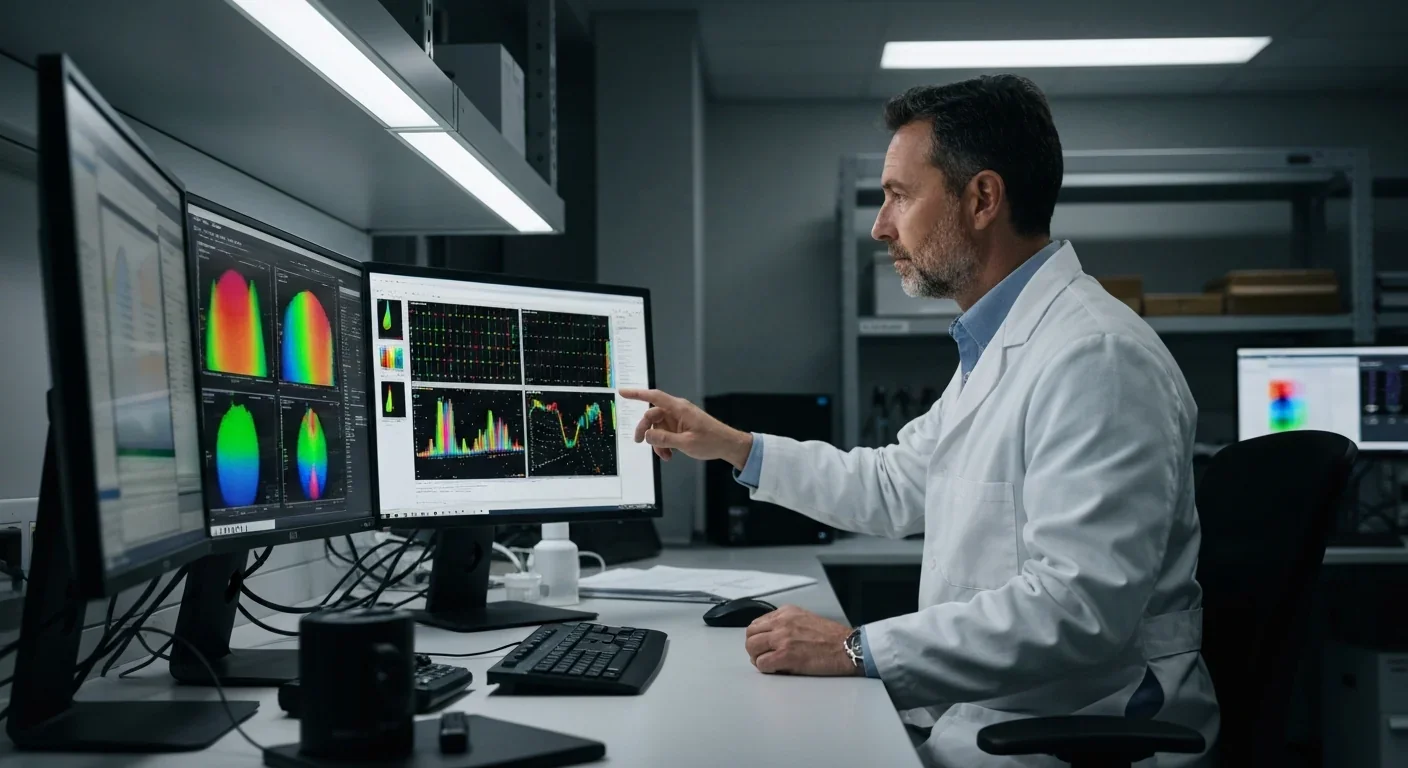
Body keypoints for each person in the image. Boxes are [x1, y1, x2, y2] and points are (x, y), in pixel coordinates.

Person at [622, 75, 1218, 768]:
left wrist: (856, 648)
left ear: (982, 198)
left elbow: (1077, 608)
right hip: (997, 713)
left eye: (900, 195)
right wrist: (731, 445)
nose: (880, 225)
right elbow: (891, 484)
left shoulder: (1097, 357)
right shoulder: (1004, 345)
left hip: (1076, 735)